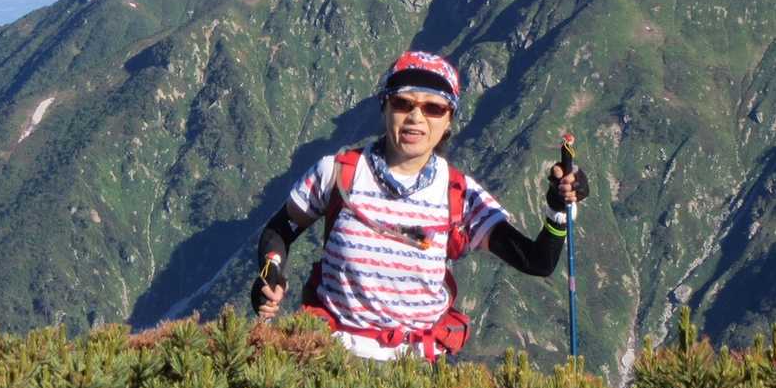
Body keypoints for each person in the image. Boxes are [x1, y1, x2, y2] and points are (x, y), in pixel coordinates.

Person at [251, 50, 588, 361]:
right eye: (403, 103)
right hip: (332, 359)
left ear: (449, 120)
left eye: (433, 108)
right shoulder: (338, 173)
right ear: (385, 107)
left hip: (412, 371)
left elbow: (537, 261)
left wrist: (558, 208)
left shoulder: (459, 194)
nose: (416, 117)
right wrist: (270, 272)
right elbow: (279, 230)